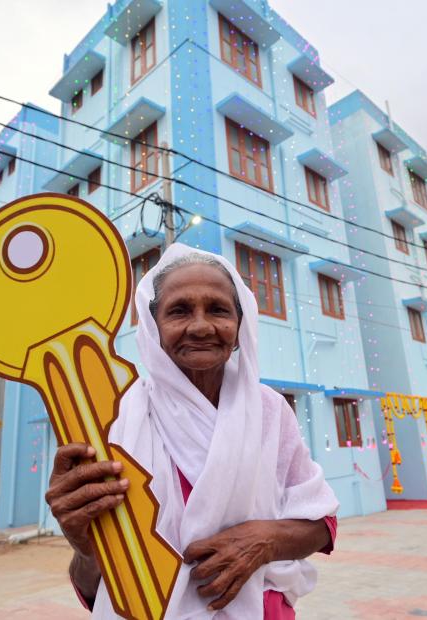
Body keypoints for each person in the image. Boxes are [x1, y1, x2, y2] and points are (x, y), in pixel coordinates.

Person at [45, 245, 339, 618]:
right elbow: (91, 586)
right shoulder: (114, 422)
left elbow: (321, 523)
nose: (200, 326)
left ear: (239, 329)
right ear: (153, 329)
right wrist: (87, 546)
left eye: (218, 309)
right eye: (179, 311)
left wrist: (264, 541)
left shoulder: (268, 410)